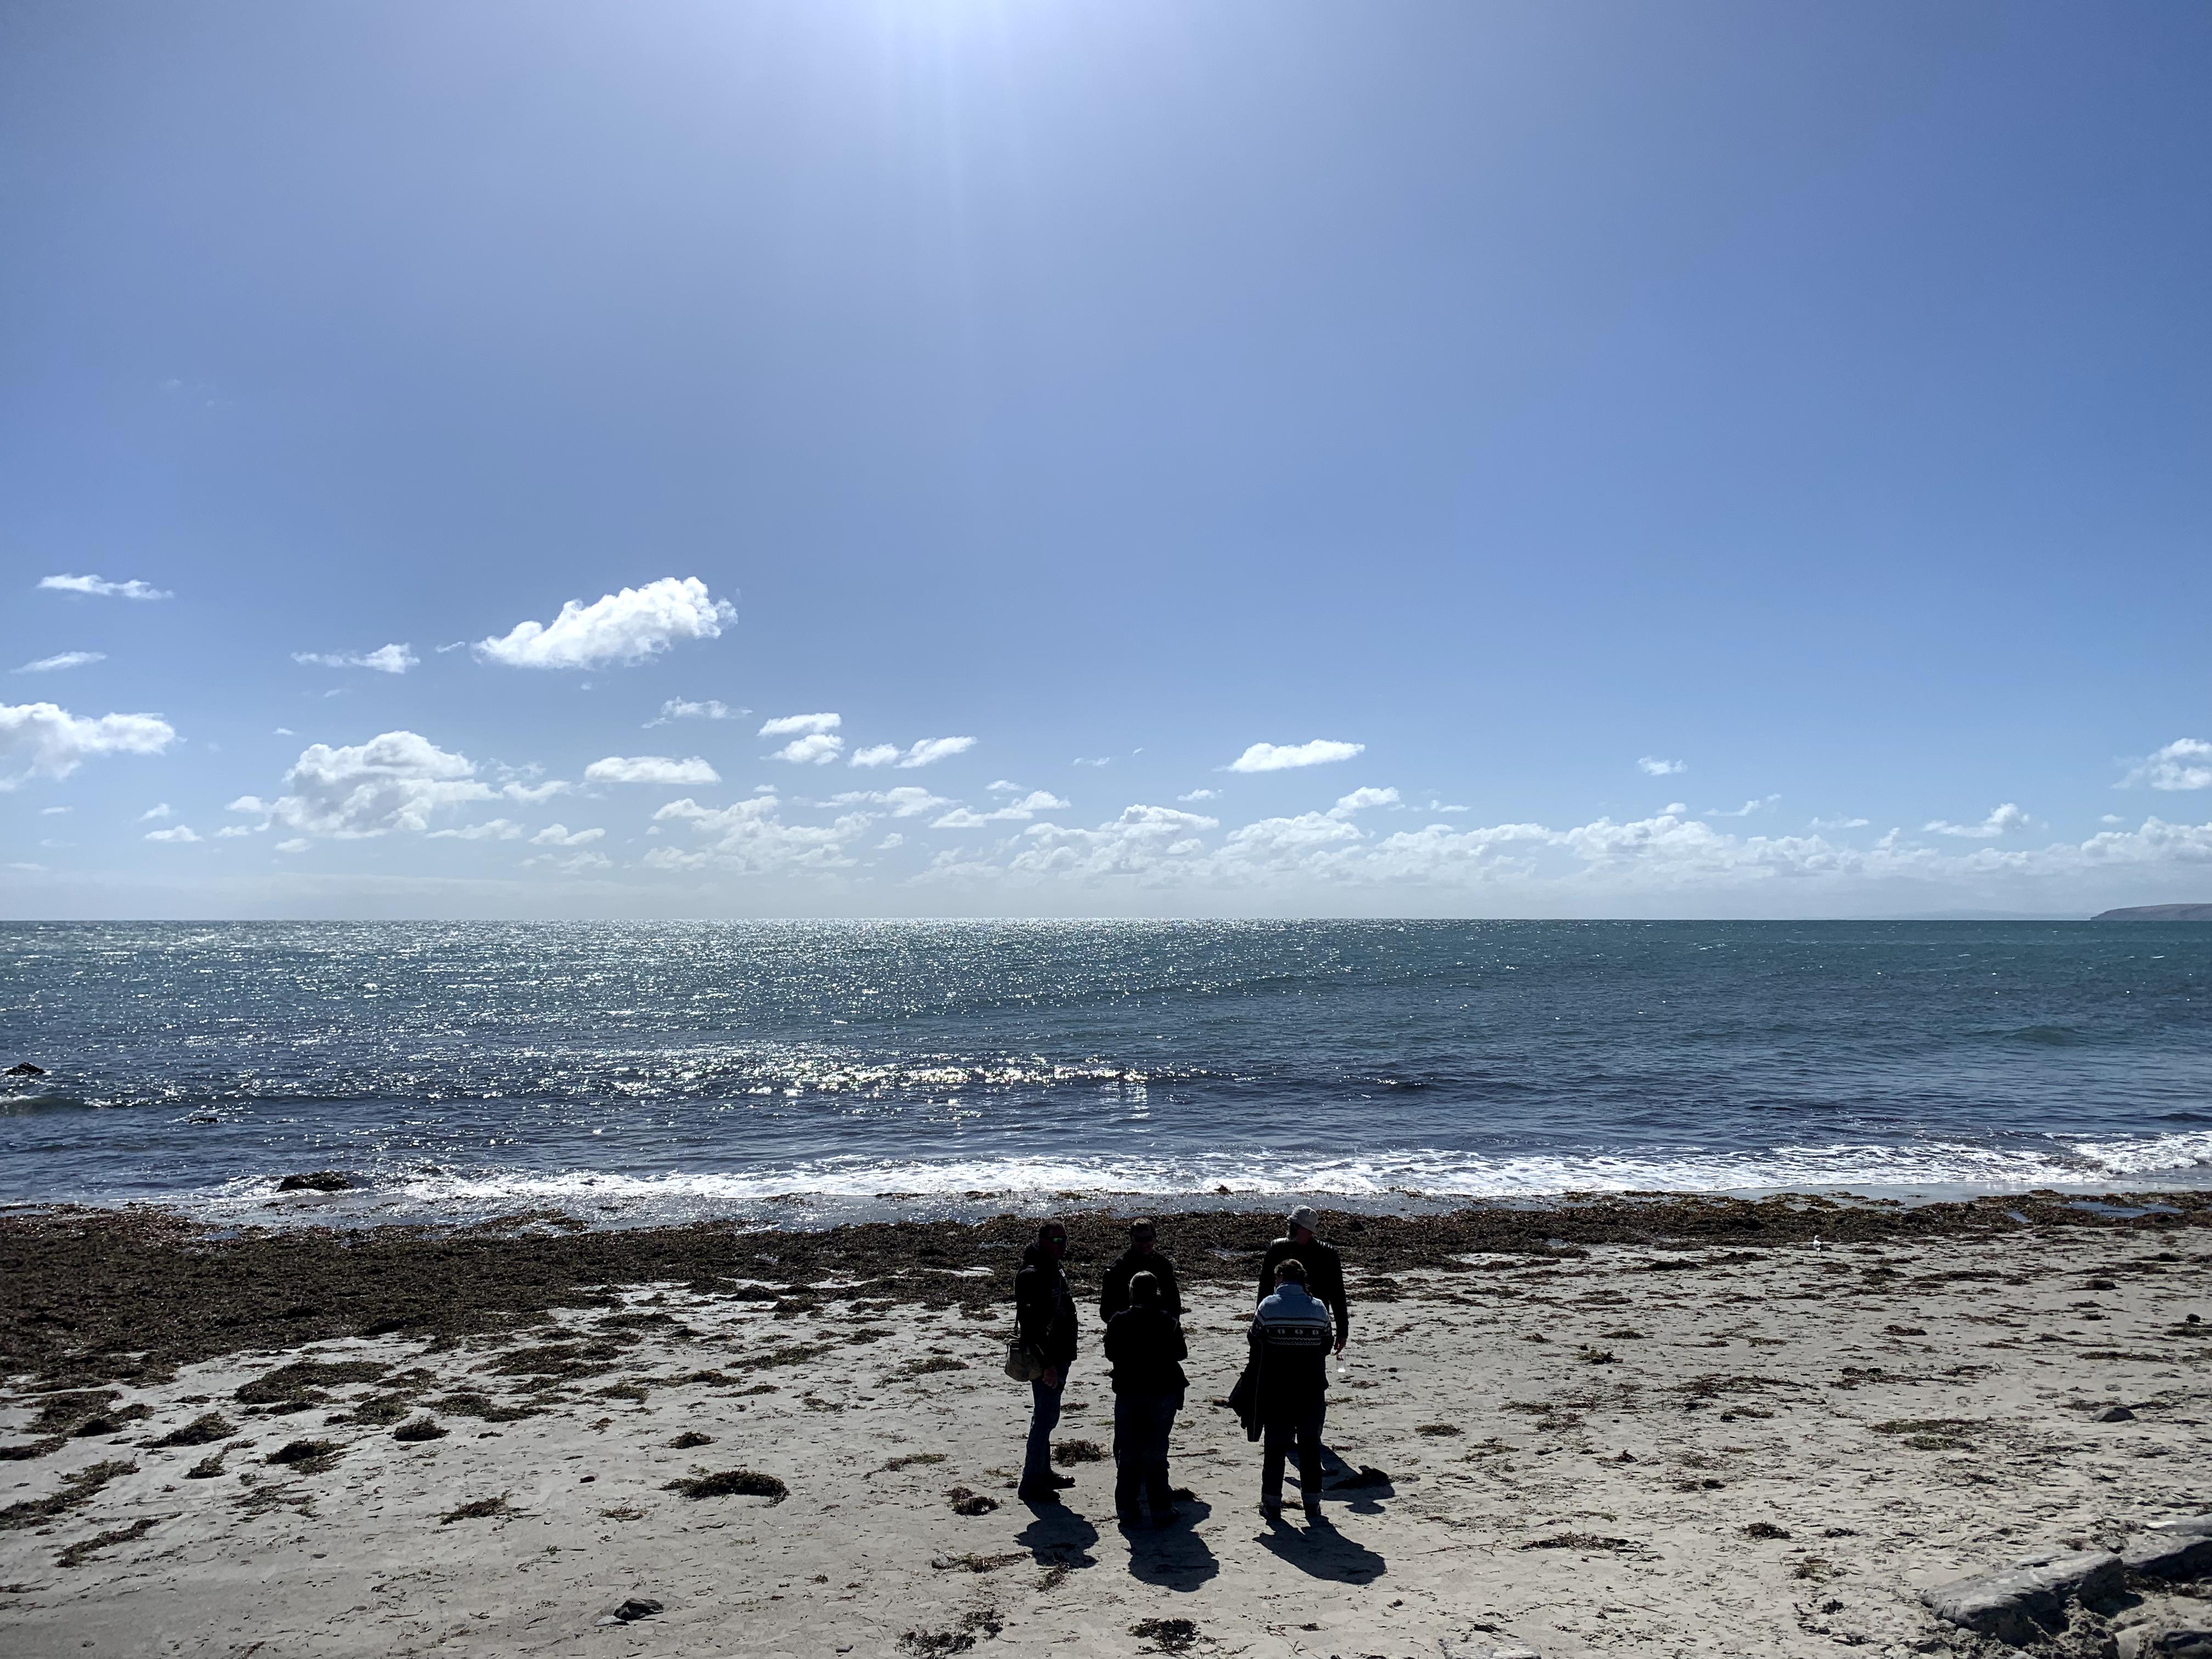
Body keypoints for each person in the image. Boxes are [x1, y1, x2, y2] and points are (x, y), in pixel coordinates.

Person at [1249, 1257, 1333, 1520]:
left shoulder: (1268, 1305)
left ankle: (1272, 1503)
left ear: (1280, 1278)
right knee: (1310, 1447)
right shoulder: (1318, 1307)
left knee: (1275, 1448)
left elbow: (1254, 1338)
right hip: (1311, 1388)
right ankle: (1312, 1504)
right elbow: (1326, 1343)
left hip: (1278, 1389)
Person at [1103, 1270, 1186, 1525]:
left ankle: (1127, 1510)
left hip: (1129, 1392)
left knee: (1128, 1452)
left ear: (1131, 1294)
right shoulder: (1167, 1321)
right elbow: (1181, 1353)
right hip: (1161, 1392)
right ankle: (1160, 1510)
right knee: (1157, 1452)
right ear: (1156, 1294)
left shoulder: (1118, 1321)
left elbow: (1110, 1353)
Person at [1013, 1219, 1080, 1502]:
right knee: (1044, 1419)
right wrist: (1048, 1364)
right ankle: (1031, 1482)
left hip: (1059, 1354)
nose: (1062, 1245)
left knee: (1048, 1416)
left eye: (1064, 1240)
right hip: (1046, 1358)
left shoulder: (1053, 1267)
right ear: (1042, 1241)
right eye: (1056, 1240)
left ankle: (1044, 1472)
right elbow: (1032, 1328)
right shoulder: (1032, 1274)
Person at [1256, 1205, 1348, 1355]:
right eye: (1291, 1224)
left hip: (1314, 1325)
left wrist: (1343, 1332)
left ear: (1309, 1230)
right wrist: (1259, 1322)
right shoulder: (1277, 1249)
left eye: (1296, 1225)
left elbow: (1337, 1294)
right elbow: (1265, 1287)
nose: (1291, 1228)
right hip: (1281, 1322)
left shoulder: (1327, 1254)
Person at [1099, 1217, 1182, 1324]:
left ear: (1155, 1238)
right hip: (1127, 1324)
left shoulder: (1163, 1266)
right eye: (1139, 1239)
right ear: (1131, 1239)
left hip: (1157, 1324)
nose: (1144, 1244)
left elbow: (1174, 1302)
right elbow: (1106, 1312)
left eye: (1148, 1239)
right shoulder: (1117, 1269)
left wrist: (1170, 1324)